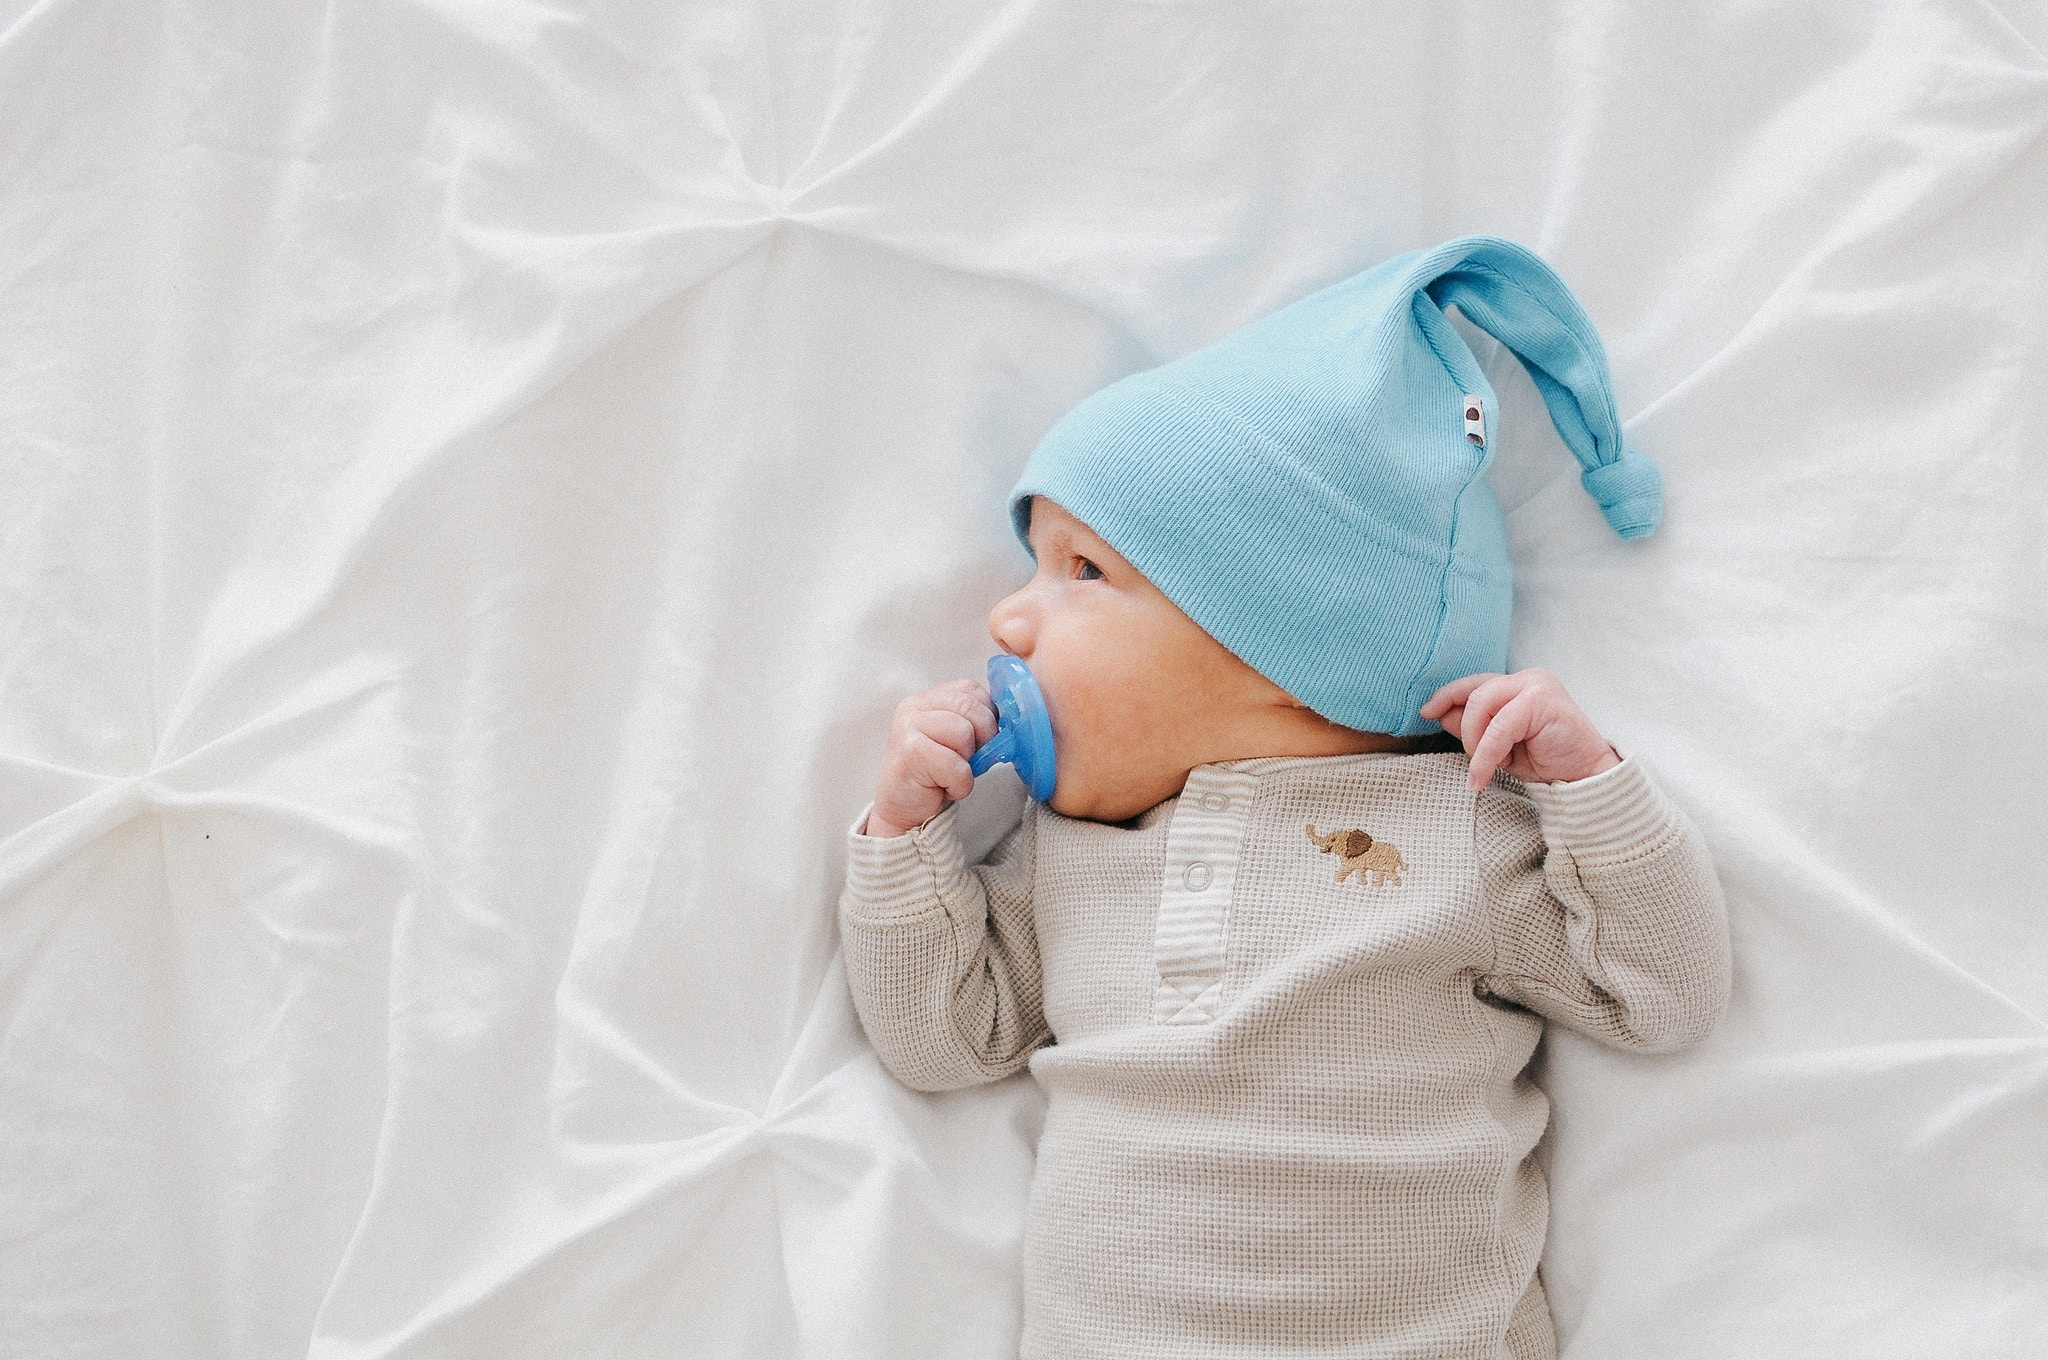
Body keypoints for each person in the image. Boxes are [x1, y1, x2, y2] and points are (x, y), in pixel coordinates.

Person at [839, 236, 1731, 1359]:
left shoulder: (1461, 820)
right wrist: (905, 839)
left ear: (1279, 641)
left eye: (1081, 573)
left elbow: (1663, 996)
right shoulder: (1070, 852)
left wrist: (1587, 789)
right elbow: (942, 1041)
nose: (1007, 622)